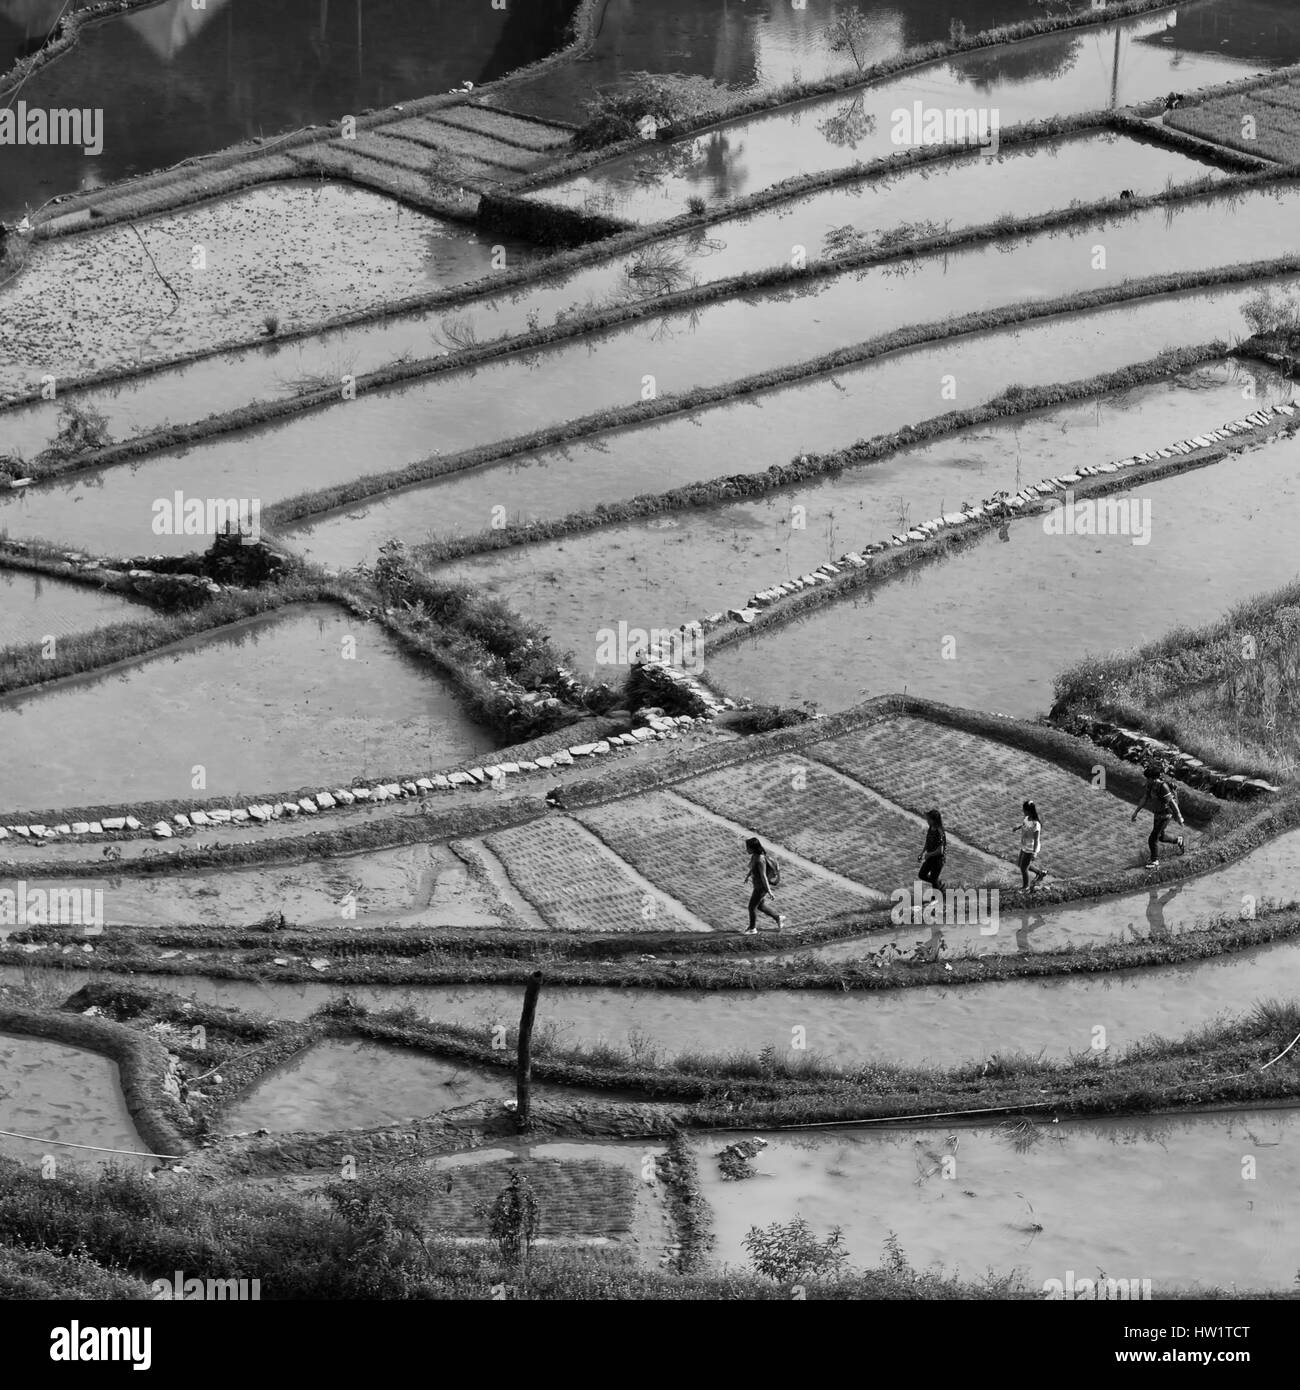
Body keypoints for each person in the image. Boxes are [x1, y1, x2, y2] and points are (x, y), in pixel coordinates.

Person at [1131, 766, 1185, 867]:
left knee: (1153, 838)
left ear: (1154, 778)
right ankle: (1179, 840)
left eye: (1148, 778)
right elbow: (1144, 798)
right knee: (1161, 837)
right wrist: (1136, 812)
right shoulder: (1150, 785)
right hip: (1157, 814)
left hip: (1166, 814)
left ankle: (1155, 861)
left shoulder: (1163, 787)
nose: (1147, 780)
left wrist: (1179, 817)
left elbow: (1172, 803)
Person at [744, 836, 786, 934]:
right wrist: (748, 875)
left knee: (751, 907)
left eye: (748, 848)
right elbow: (753, 867)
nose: (746, 850)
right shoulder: (755, 856)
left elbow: (764, 877)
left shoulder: (760, 860)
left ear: (753, 848)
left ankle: (752, 929)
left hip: (761, 887)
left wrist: (769, 892)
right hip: (757, 885)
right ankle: (778, 918)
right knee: (760, 905)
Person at [1017, 800, 1048, 891]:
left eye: (1024, 810)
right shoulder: (1027, 818)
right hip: (1025, 845)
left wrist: (1034, 852)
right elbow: (1024, 824)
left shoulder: (1036, 824)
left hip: (1031, 848)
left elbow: (1036, 839)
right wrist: (1017, 828)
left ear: (1029, 811)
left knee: (1023, 868)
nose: (1023, 811)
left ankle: (1025, 887)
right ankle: (1040, 873)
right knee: (1020, 864)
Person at [917, 809, 946, 894]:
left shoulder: (940, 832)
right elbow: (928, 841)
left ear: (933, 820)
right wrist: (922, 853)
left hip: (938, 860)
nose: (927, 820)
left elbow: (941, 850)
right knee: (922, 875)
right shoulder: (931, 828)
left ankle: (939, 897)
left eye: (929, 819)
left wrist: (929, 854)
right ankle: (938, 883)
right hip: (930, 858)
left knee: (933, 880)